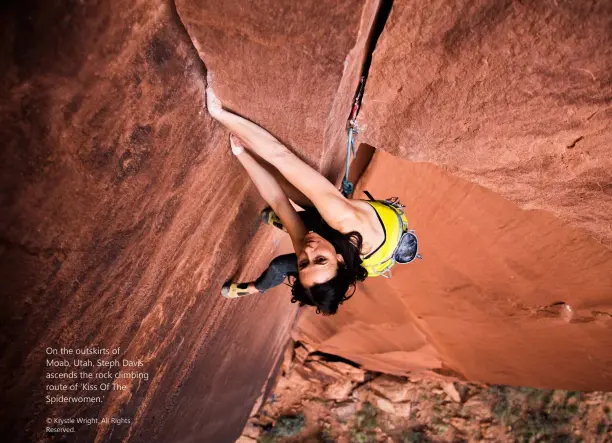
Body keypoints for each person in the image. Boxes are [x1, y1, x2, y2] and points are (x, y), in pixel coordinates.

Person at [206, 77, 419, 315]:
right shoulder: (344, 219)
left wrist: (241, 151)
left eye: (303, 263)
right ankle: (290, 224)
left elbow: (278, 202)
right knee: (301, 197)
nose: (308, 251)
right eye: (319, 260)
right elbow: (280, 156)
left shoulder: (312, 252)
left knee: (279, 265)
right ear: (339, 260)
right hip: (369, 230)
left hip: (342, 241)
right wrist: (220, 114)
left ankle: (254, 288)